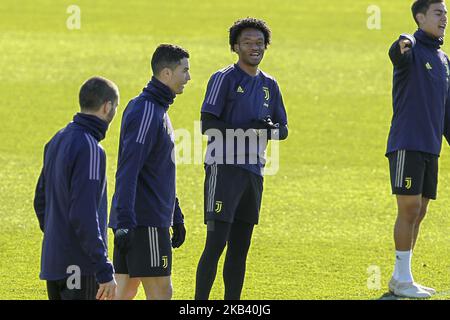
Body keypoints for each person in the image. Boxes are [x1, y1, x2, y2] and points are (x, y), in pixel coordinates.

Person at [195, 17, 288, 300]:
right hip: (223, 170)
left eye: (259, 43)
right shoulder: (223, 78)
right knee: (216, 244)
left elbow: (283, 129)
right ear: (235, 47)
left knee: (240, 248)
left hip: (253, 173)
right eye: (247, 42)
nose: (254, 47)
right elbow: (207, 124)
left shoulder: (269, 85)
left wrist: (269, 130)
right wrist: (251, 129)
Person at [109, 44, 190, 300]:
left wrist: (175, 214)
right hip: (144, 222)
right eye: (184, 70)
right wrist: (124, 221)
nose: (188, 77)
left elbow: (158, 171)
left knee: (123, 291)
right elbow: (129, 169)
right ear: (166, 73)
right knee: (161, 293)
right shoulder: (147, 111)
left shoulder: (157, 109)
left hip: (143, 219)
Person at [33, 76, 119, 300]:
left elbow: (40, 201)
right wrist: (103, 268)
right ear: (107, 107)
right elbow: (84, 214)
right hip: (81, 268)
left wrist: (59, 237)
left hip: (54, 264)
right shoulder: (91, 148)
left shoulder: (56, 139)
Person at [386, 0, 450, 298]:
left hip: (430, 147)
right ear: (420, 17)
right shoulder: (410, 50)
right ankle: (400, 279)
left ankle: (404, 276)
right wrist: (404, 40)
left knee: (420, 211)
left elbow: (446, 111)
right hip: (407, 143)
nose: (444, 18)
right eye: (438, 13)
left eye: (446, 14)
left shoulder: (444, 60)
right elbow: (397, 51)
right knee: (409, 209)